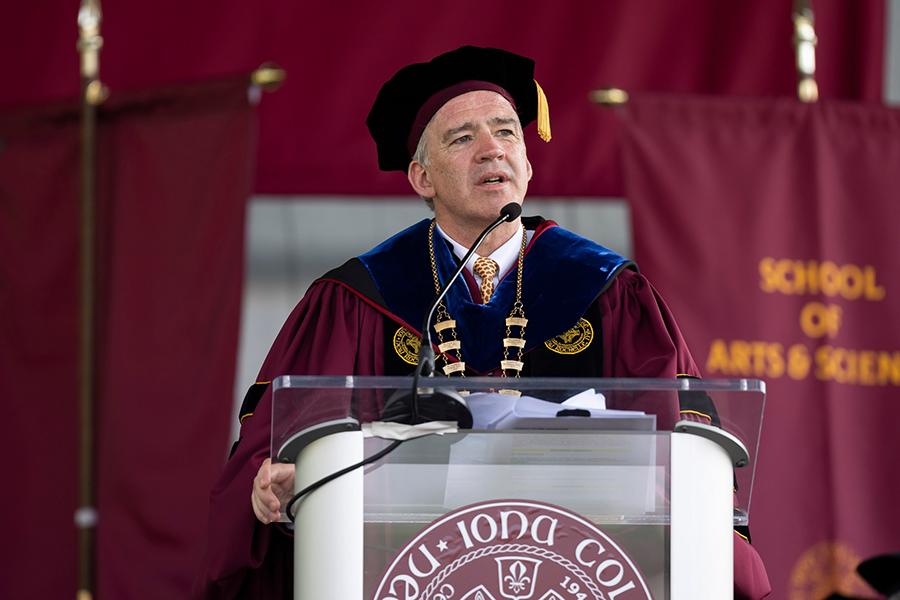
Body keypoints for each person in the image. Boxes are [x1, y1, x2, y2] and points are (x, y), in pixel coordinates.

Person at [196, 46, 771, 599]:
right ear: (423, 178)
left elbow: (684, 447)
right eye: (463, 138)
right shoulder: (358, 297)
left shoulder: (610, 291)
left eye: (506, 133)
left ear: (527, 162)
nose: (492, 150)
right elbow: (275, 448)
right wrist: (276, 485)